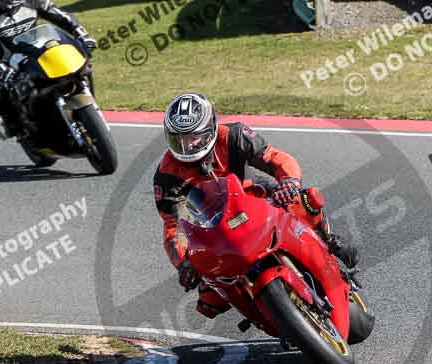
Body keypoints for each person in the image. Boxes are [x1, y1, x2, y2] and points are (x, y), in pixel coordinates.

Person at [153, 92, 359, 319]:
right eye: (178, 139)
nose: (187, 145)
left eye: (194, 137)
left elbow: (273, 157)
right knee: (209, 300)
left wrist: (289, 181)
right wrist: (182, 263)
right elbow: (173, 227)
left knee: (304, 200)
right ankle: (263, 312)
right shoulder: (167, 175)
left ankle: (328, 238)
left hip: (255, 196)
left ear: (210, 127)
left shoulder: (234, 135)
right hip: (215, 228)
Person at [0, 0, 96, 136]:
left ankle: (85, 100)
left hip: (35, 50)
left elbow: (63, 17)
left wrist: (83, 35)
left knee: (77, 66)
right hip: (5, 61)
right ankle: (25, 133)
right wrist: (4, 72)